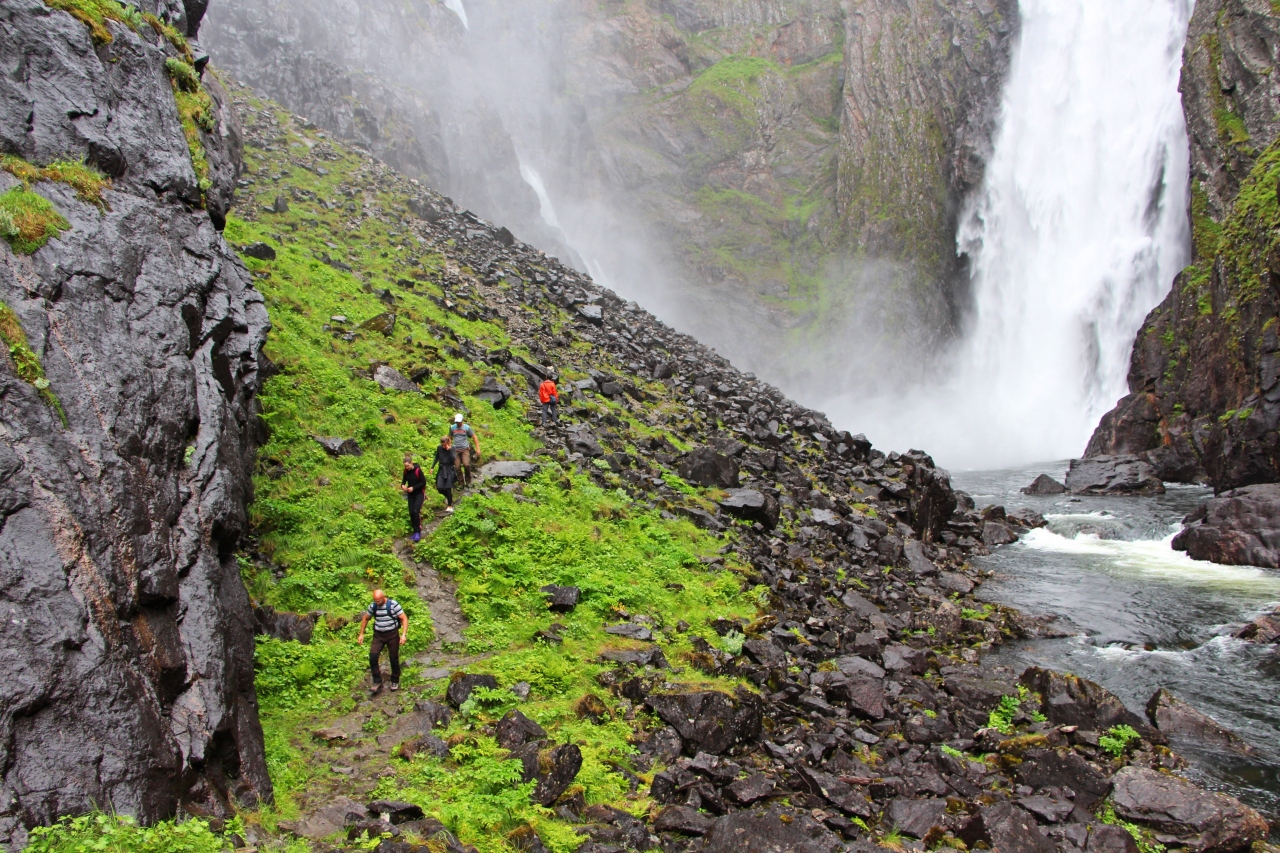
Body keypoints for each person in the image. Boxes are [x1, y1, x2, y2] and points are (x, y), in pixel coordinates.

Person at [357, 589, 407, 695]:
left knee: (393, 657)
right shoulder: (373, 606)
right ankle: (377, 680)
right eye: (376, 601)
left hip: (392, 634)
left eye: (379, 600)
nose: (378, 603)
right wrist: (361, 633)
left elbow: (403, 618)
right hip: (378, 635)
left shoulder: (393, 605)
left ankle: (395, 680)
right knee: (373, 656)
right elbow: (366, 618)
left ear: (383, 597)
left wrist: (403, 634)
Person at [400, 453, 427, 542]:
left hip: (419, 493)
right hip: (410, 494)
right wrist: (402, 485)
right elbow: (404, 480)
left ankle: (418, 531)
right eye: (405, 466)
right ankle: (415, 531)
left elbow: (423, 482)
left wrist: (413, 488)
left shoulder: (418, 470)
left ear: (411, 463)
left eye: (407, 466)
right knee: (411, 512)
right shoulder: (405, 471)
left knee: (416, 511)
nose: (406, 468)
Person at [449, 413, 480, 486]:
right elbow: (450, 437)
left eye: (459, 422)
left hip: (465, 450)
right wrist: (449, 446)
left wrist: (478, 448)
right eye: (457, 422)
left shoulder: (466, 428)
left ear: (462, 420)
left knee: (466, 464)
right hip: (455, 450)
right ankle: (461, 483)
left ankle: (468, 481)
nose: (458, 423)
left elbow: (474, 437)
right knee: (457, 467)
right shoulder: (452, 428)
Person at [433, 434, 457, 513]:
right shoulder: (439, 448)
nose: (443, 447)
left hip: (449, 469)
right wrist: (432, 467)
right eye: (442, 445)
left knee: (448, 488)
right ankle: (448, 497)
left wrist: (449, 450)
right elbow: (437, 457)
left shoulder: (453, 448)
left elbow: (453, 459)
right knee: (439, 488)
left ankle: (449, 506)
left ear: (448, 443)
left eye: (445, 445)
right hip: (441, 469)